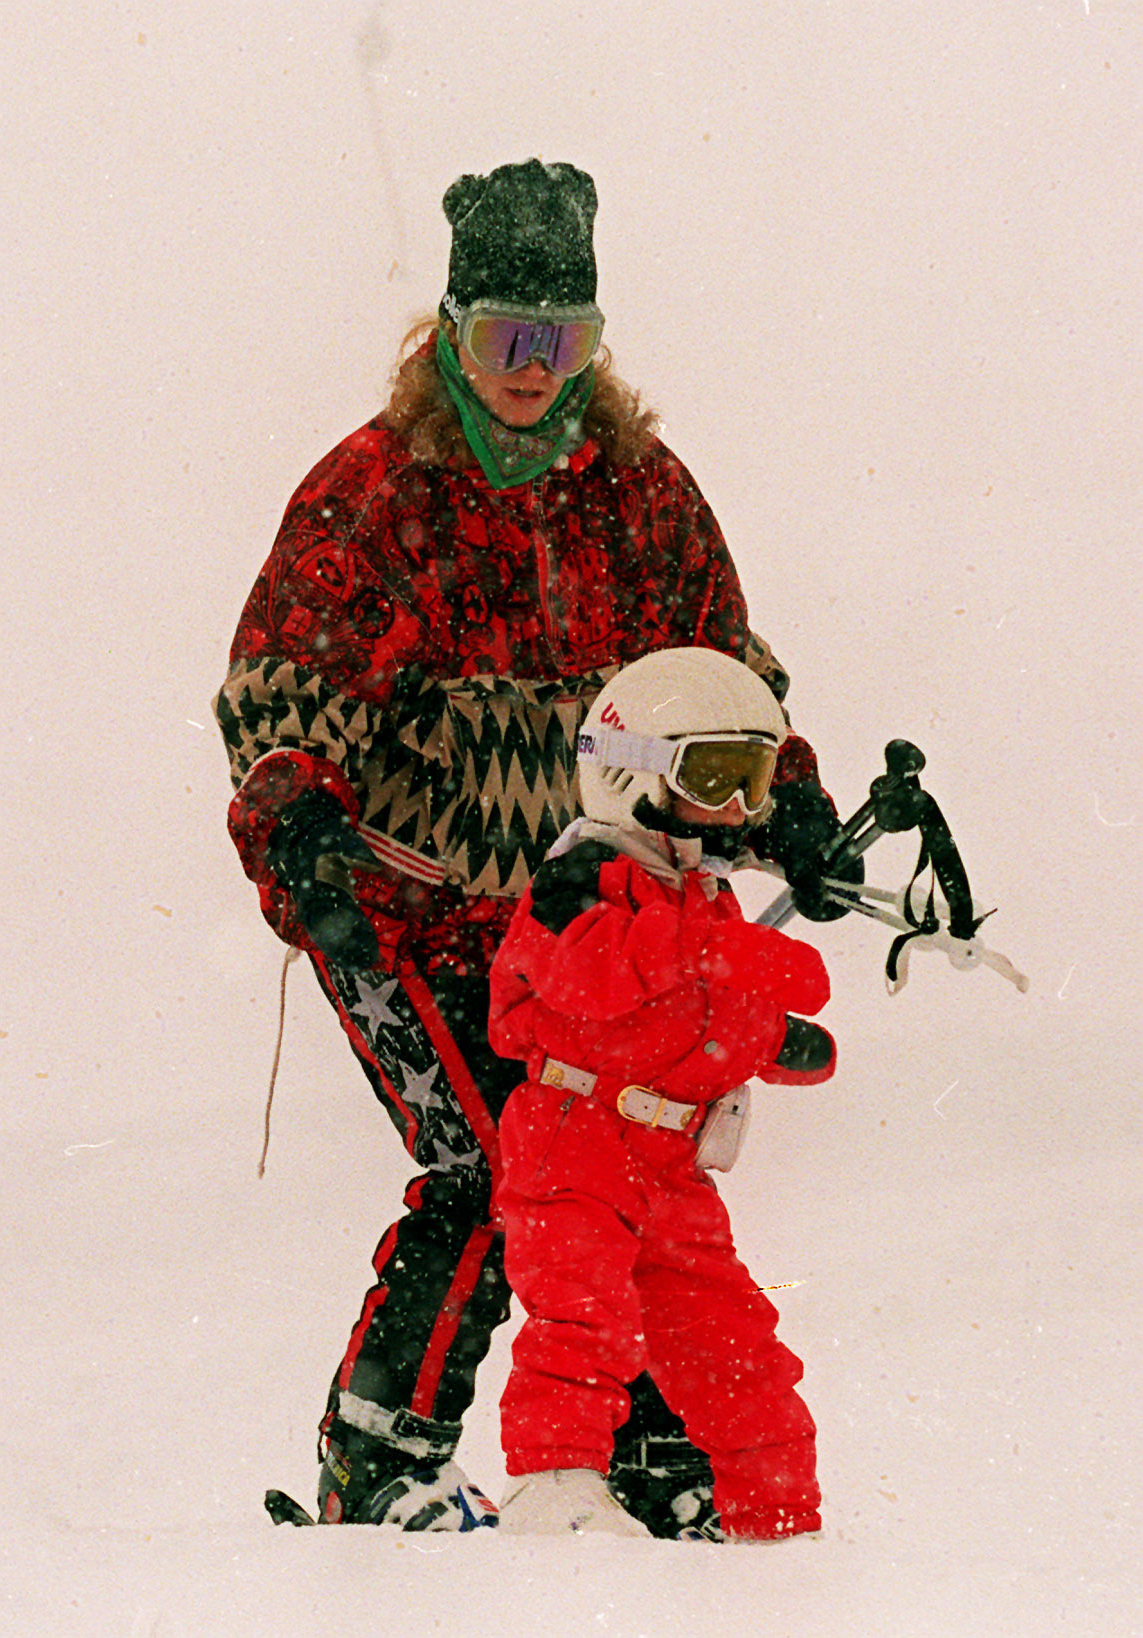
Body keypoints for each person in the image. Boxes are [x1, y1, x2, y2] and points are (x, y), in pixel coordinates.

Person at [214, 157, 849, 1534]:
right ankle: (381, 1460)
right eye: (503, 336)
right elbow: (283, 691)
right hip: (406, 908)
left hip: (587, 917)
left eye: (560, 341)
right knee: (498, 1162)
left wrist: (783, 788)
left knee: (619, 1167)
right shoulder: (377, 493)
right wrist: (300, 826)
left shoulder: (639, 492)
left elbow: (717, 675)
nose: (528, 368)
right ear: (448, 331)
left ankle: (645, 1450)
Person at [489, 647, 835, 1540]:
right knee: (583, 1321)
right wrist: (728, 955)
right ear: (630, 769)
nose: (733, 808)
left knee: (733, 1344)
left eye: (751, 780)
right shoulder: (580, 875)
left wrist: (773, 1040)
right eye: (709, 775)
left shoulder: (700, 890)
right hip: (576, 1138)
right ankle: (556, 1494)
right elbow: (592, 975)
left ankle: (777, 1525)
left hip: (673, 1168)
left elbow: (694, 1019)